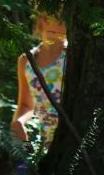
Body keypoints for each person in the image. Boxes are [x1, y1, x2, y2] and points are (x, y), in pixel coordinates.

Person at [11, 9, 68, 150]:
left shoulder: (72, 57)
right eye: (47, 17)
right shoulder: (26, 60)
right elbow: (25, 105)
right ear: (40, 18)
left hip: (71, 140)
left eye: (61, 19)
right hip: (44, 144)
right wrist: (19, 122)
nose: (53, 23)